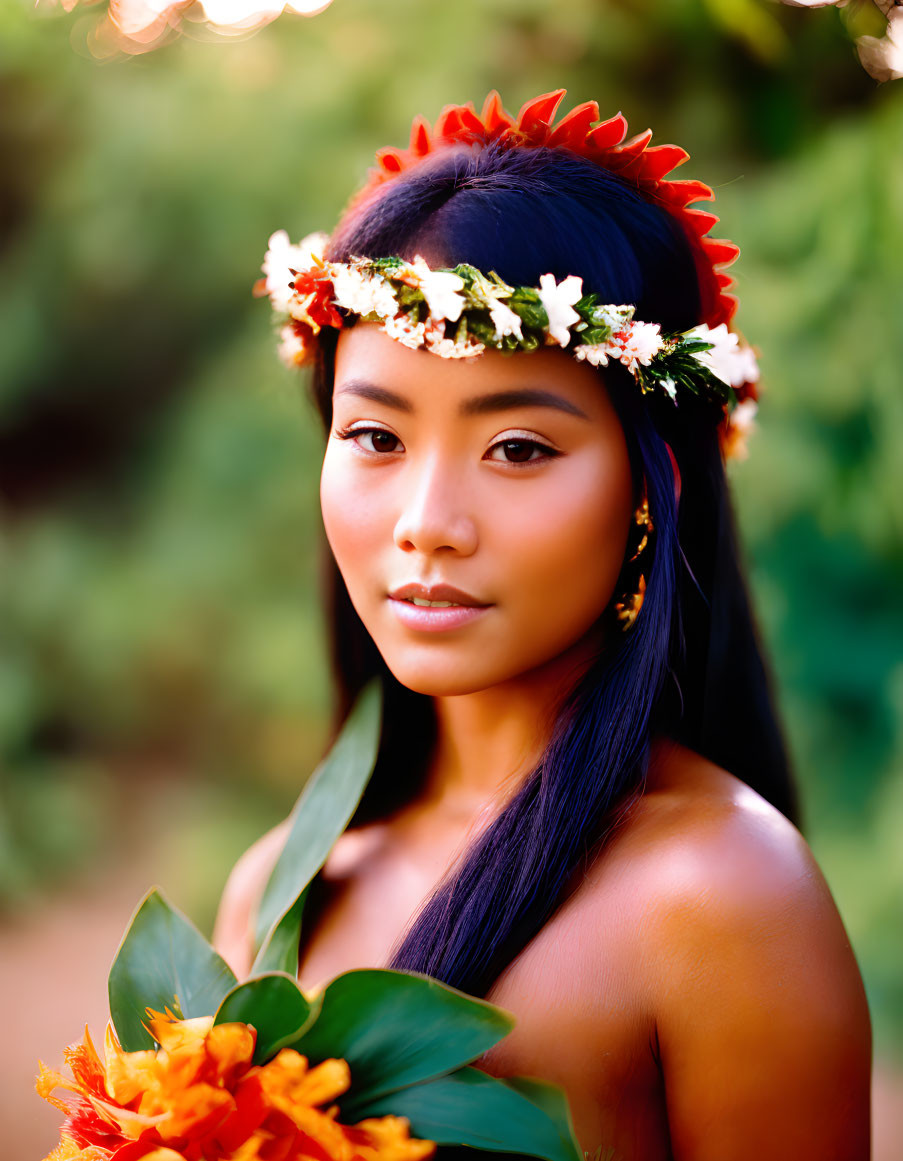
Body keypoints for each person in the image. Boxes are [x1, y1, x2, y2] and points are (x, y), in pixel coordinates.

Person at [213, 90, 872, 1159]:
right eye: (376, 435)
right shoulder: (283, 885)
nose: (427, 525)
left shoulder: (721, 899)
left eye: (518, 448)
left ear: (653, 488)